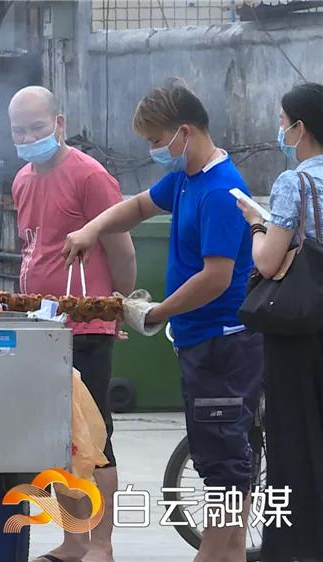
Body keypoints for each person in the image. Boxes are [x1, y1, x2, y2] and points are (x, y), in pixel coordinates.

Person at [64, 78, 263, 562]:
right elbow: (137, 206)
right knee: (224, 471)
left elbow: (216, 278)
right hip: (200, 345)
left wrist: (159, 310)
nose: (153, 150)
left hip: (223, 347)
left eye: (156, 141)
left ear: (185, 132)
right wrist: (92, 227)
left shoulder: (220, 191)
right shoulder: (185, 180)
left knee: (223, 477)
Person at [8, 86, 136, 562]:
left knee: (95, 438)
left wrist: (115, 305)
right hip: (37, 328)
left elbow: (122, 248)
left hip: (85, 327)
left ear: (58, 123)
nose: (27, 137)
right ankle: (72, 539)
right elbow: (33, 247)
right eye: (19, 130)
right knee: (53, 438)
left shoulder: (89, 175)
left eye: (36, 128)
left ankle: (101, 545)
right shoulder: (22, 178)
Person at [236, 82, 323, 562]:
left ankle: (293, 547)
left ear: (300, 127)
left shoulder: (297, 181)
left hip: (301, 326)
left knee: (291, 437)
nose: (281, 128)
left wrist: (255, 222)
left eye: (283, 120)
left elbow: (269, 264)